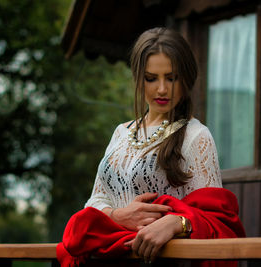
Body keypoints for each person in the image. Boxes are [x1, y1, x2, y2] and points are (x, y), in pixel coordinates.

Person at [83, 27, 225, 263]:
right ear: (138, 79)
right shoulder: (120, 133)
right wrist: (117, 216)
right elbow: (94, 202)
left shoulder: (196, 136)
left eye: (172, 78)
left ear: (186, 78)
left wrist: (177, 223)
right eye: (151, 78)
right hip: (108, 258)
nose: (162, 89)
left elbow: (214, 220)